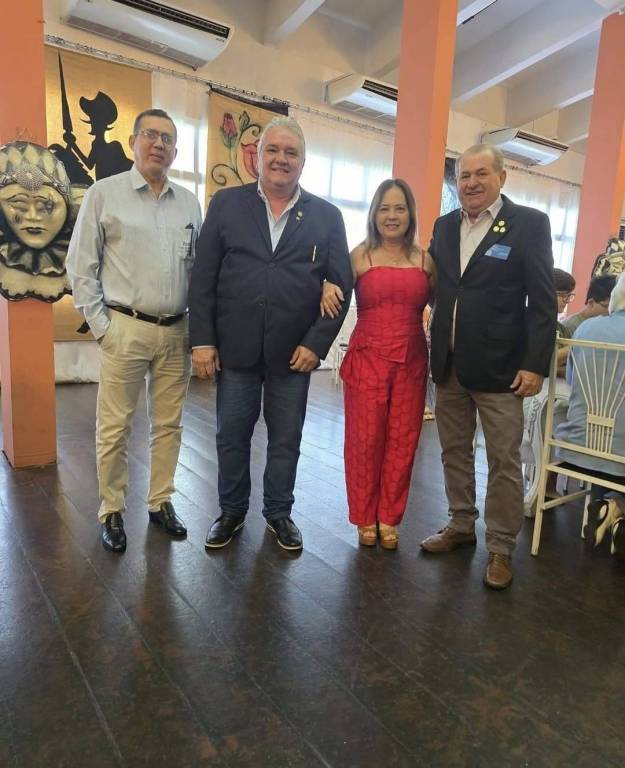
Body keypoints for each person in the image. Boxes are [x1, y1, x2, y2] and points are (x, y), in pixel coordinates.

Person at [189, 116, 353, 552]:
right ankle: (231, 511)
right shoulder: (226, 204)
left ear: (303, 161)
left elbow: (342, 285)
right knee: (230, 436)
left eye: (291, 152)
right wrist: (202, 340)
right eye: (273, 150)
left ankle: (279, 512)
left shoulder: (327, 216)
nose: (282, 159)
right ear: (257, 157)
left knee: (286, 440)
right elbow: (203, 277)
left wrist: (316, 344)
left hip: (294, 354)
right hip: (235, 348)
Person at [420, 143, 557, 590]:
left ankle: (500, 546)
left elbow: (543, 302)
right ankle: (461, 524)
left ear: (502, 177)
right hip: (449, 366)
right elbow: (436, 285)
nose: (472, 183)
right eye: (464, 175)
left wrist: (535, 365)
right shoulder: (444, 226)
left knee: (503, 460)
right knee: (454, 451)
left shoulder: (529, 224)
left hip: (502, 370)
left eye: (481, 174)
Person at [67, 108, 202, 553]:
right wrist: (103, 328)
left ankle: (161, 501)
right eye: (150, 135)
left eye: (167, 138)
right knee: (115, 426)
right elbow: (80, 266)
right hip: (124, 328)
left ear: (175, 151)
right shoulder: (104, 194)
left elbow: (200, 269)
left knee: (169, 424)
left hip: (177, 331)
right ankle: (111, 509)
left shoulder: (189, 203)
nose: (159, 144)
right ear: (133, 142)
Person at [332, 179, 434, 549]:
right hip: (368, 359)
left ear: (410, 214)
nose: (392, 216)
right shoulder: (359, 256)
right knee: (364, 440)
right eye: (384, 208)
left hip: (412, 361)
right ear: (374, 214)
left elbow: (444, 307)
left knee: (404, 440)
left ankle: (390, 516)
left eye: (400, 208)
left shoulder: (425, 260)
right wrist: (327, 286)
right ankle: (364, 516)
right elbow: (334, 292)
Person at [554, 272, 625, 560]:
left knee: (607, 441)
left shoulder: (585, 328)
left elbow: (573, 380)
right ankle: (616, 505)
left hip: (576, 445)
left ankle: (607, 507)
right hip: (619, 456)